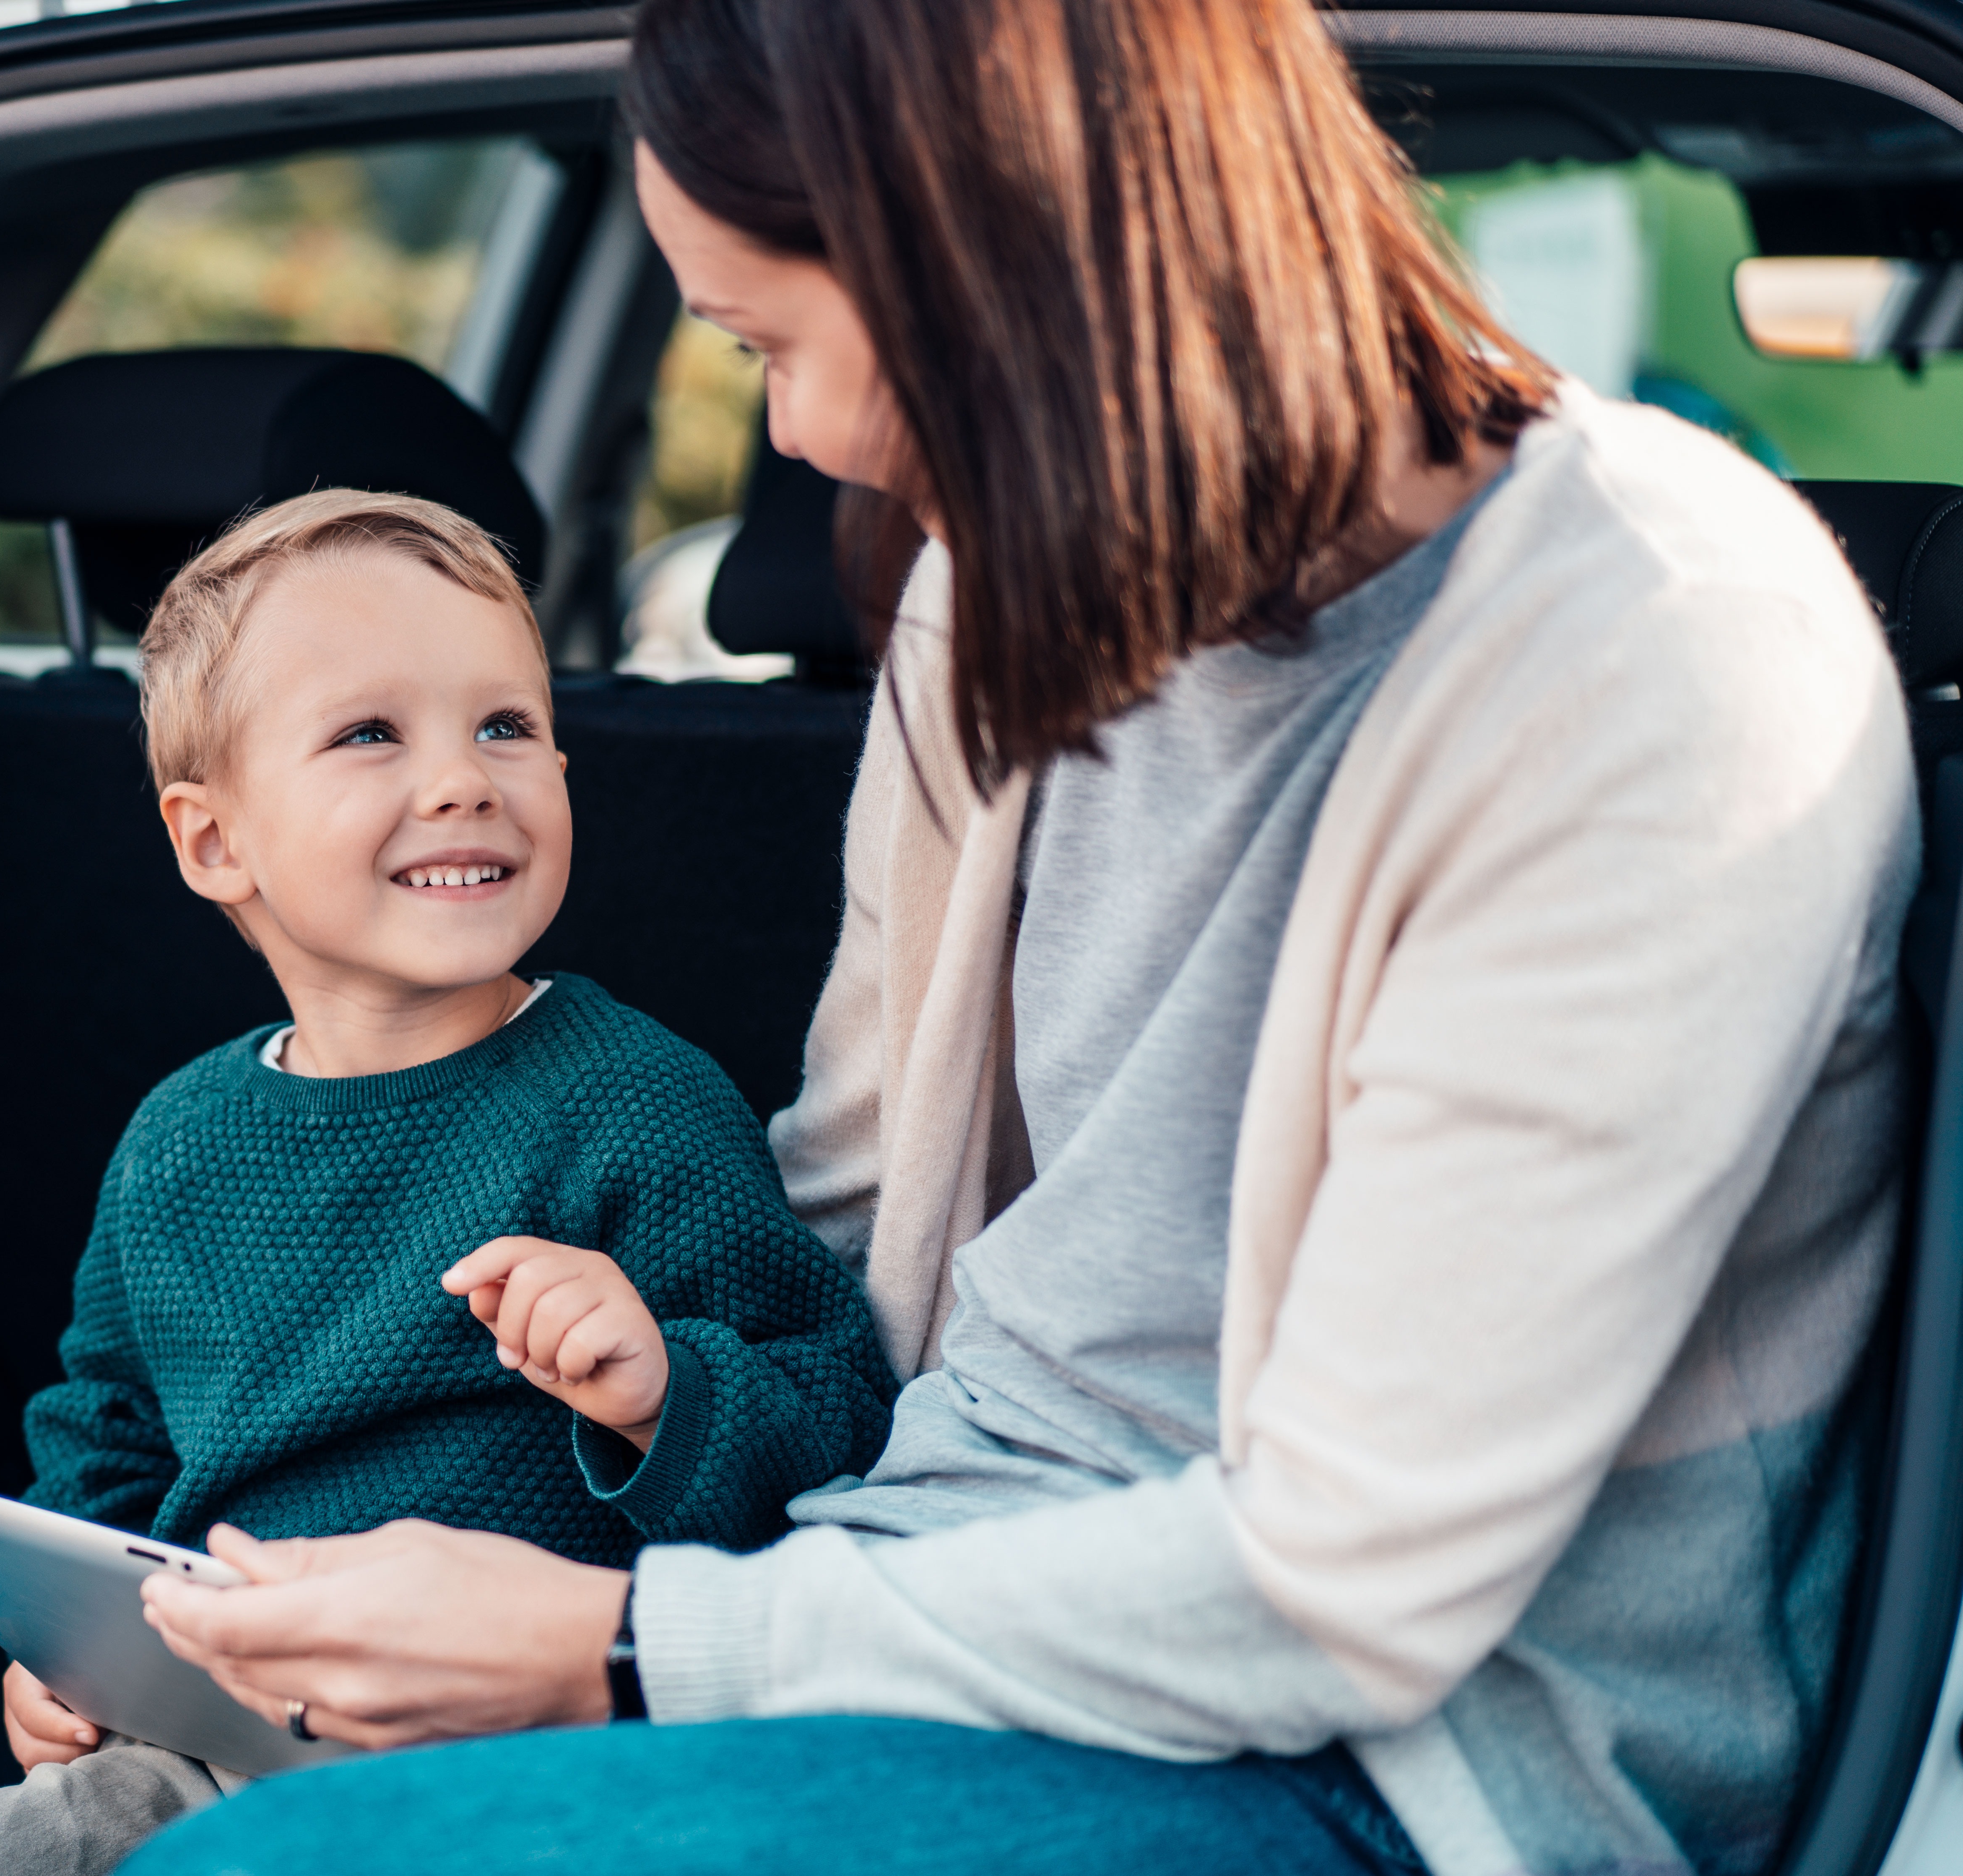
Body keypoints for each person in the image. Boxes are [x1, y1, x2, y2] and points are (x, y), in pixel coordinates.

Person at [115, 0, 1919, 1870]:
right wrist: (580, 1530)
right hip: (901, 1584)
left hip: (1391, 1763)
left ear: (992, 264)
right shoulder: (1000, 589)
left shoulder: (1653, 653)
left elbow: (1348, 1584)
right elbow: (825, 1213)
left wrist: (621, 1644)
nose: (790, 435)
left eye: (771, 344)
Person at [0, 488, 899, 1876]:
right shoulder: (180, 1141)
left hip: (533, 1758)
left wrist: (659, 1390)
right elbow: (108, 1437)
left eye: (506, 725)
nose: (462, 779)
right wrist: (67, 1648)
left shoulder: (637, 1100)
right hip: (216, 1743)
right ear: (214, 842)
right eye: (371, 733)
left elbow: (839, 1424)